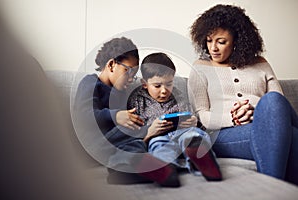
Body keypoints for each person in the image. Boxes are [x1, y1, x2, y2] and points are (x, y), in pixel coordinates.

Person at [188, 4, 298, 185]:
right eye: (209, 41)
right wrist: (234, 118)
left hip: (266, 124)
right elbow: (203, 116)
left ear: (237, 41)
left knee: (272, 102)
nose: (213, 48)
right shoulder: (200, 67)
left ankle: (271, 188)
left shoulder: (260, 63)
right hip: (225, 135)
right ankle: (274, 188)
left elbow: (279, 104)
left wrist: (256, 111)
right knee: (292, 136)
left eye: (221, 42)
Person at [72, 37, 180, 187]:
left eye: (134, 74)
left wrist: (147, 134)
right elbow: (82, 116)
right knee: (130, 133)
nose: (131, 78)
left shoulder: (122, 93)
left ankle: (124, 171)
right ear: (111, 65)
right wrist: (115, 115)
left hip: (115, 145)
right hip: (91, 145)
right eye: (128, 71)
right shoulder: (90, 82)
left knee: (137, 144)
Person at [127, 52, 222, 181]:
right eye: (157, 86)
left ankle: (201, 157)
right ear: (144, 83)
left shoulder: (178, 95)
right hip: (158, 136)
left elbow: (190, 116)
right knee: (159, 147)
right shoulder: (137, 100)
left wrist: (194, 122)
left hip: (182, 131)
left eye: (169, 84)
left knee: (193, 135)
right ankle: (165, 169)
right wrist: (149, 132)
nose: (164, 90)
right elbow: (134, 129)